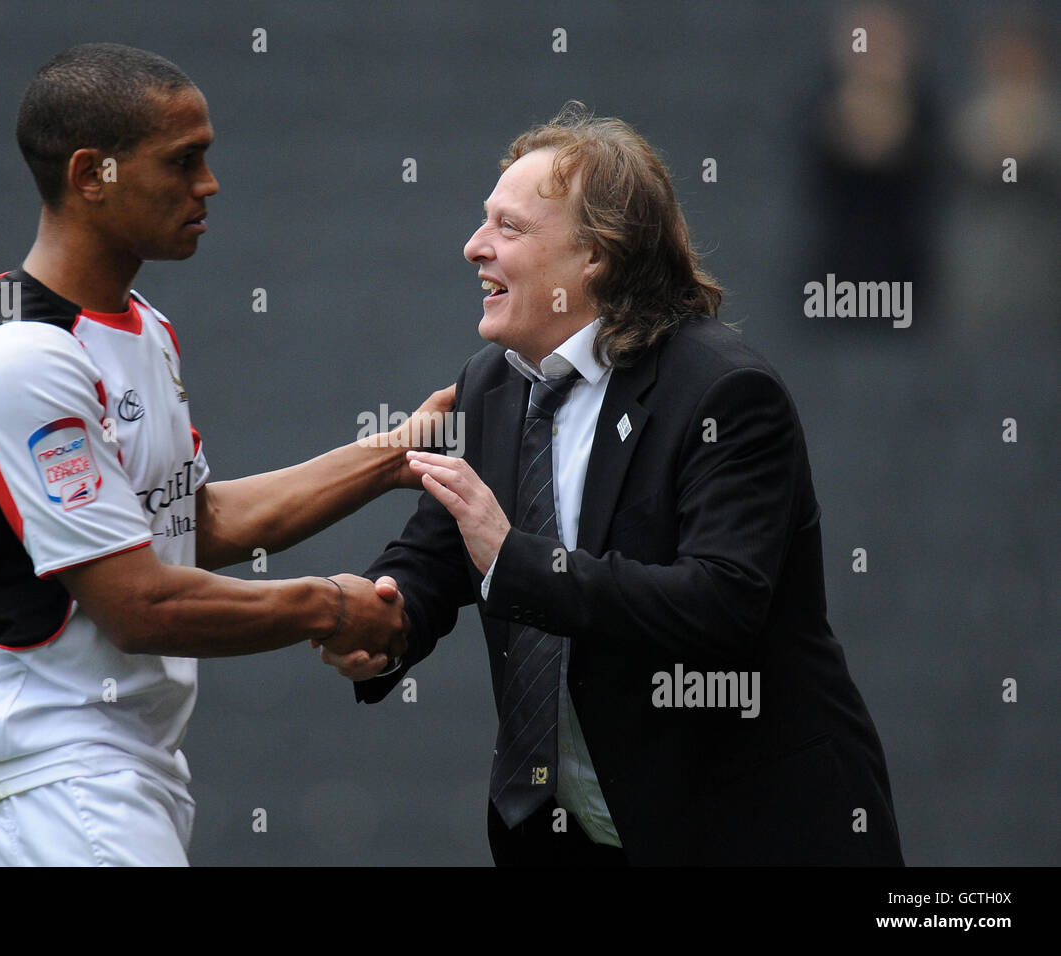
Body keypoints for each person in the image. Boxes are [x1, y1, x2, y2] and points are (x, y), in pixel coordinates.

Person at [321, 104, 904, 866]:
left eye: (509, 227)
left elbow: (720, 603)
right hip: (570, 840)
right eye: (481, 222)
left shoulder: (724, 393)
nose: (474, 247)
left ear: (596, 253)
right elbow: (436, 554)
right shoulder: (491, 384)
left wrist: (516, 559)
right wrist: (381, 619)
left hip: (750, 832)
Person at [0, 42, 447, 866]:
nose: (209, 185)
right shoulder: (21, 355)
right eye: (183, 160)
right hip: (40, 782)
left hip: (115, 774)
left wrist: (399, 452)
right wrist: (330, 606)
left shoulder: (144, 328)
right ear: (93, 175)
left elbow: (188, 523)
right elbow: (140, 606)